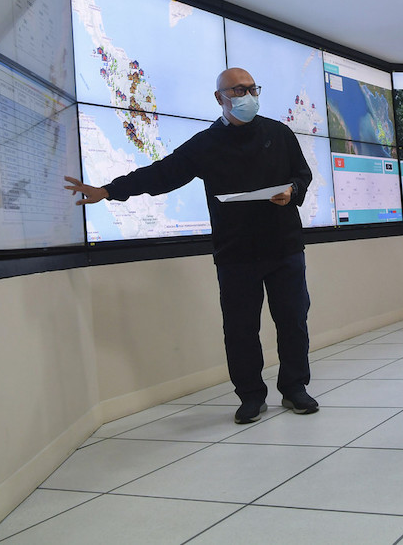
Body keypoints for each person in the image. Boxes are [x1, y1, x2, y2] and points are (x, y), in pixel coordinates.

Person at [64, 67, 320, 422]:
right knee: (240, 330)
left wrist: (293, 190)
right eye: (238, 90)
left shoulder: (278, 133)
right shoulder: (206, 144)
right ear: (219, 98)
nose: (247, 96)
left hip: (285, 248)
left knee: (293, 322)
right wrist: (109, 190)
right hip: (236, 253)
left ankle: (294, 389)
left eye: (252, 89)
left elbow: (302, 175)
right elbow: (161, 174)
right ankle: (250, 396)